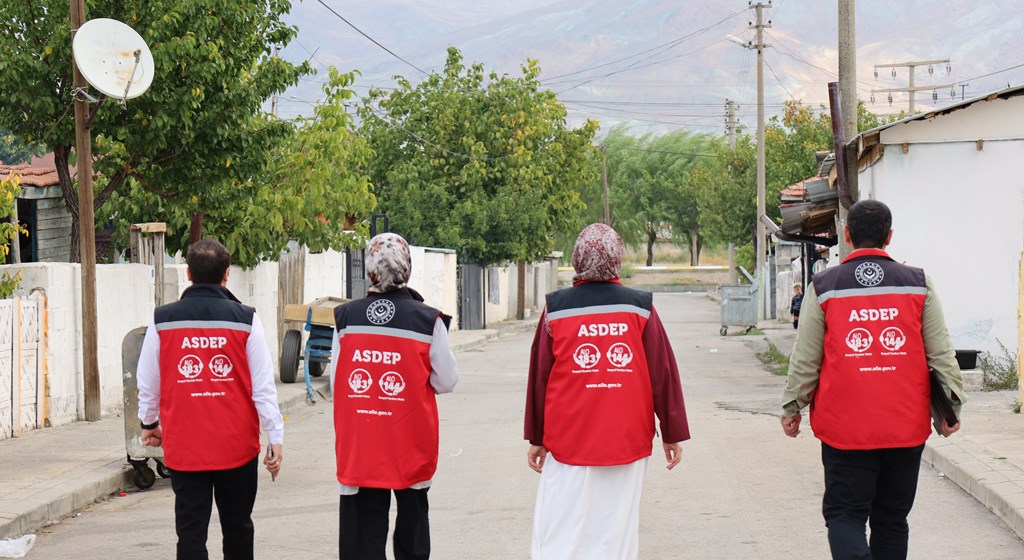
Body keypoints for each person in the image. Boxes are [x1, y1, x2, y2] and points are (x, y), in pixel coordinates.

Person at [779, 200, 967, 560]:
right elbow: (941, 353)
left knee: (845, 514)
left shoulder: (825, 286)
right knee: (892, 519)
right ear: (889, 237)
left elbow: (806, 358)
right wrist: (951, 406)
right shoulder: (918, 283)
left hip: (845, 429)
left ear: (846, 235)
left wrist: (792, 406)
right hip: (904, 426)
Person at [525, 223, 690, 560]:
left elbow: (540, 376)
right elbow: (662, 372)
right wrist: (672, 432)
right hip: (626, 438)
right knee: (616, 527)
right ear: (616, 257)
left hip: (568, 437)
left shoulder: (557, 308)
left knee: (561, 525)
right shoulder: (639, 306)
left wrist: (537, 437)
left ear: (578, 257)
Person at [137, 238, 283, 560]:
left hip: (185, 446)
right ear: (227, 274)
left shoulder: (163, 319)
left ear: (188, 273)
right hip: (237, 447)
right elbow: (262, 388)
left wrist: (149, 423)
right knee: (238, 527)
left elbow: (148, 382)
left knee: (190, 532)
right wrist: (275, 438)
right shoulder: (246, 319)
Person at [330, 232, 458, 560]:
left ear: (369, 269)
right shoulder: (427, 320)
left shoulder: (345, 318)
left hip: (362, 444)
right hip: (410, 441)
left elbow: (336, 381)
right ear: (407, 267)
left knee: (363, 537)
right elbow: (447, 381)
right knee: (412, 533)